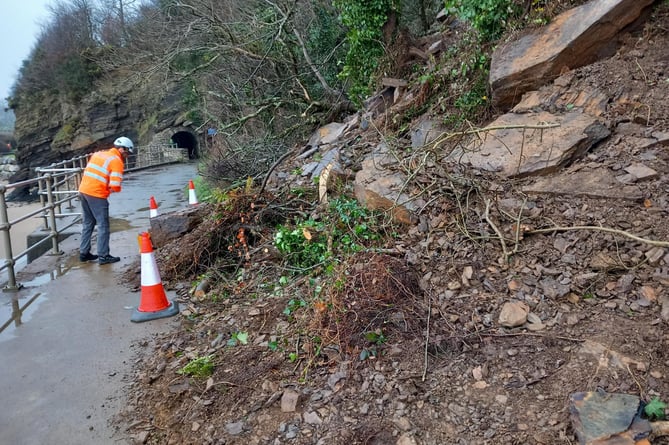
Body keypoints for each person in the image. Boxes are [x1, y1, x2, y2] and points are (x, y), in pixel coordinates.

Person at [78, 136, 134, 264]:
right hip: (97, 195)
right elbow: (115, 186)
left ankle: (84, 253)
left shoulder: (98, 154)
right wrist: (110, 190)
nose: (127, 156)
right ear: (121, 149)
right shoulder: (117, 162)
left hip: (83, 191)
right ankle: (103, 256)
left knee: (88, 223)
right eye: (127, 153)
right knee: (103, 225)